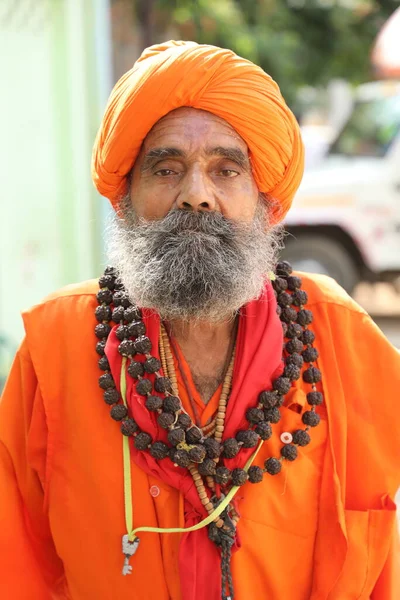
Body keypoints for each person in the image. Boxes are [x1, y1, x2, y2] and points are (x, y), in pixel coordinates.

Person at [0, 40, 399, 600]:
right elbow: (18, 568)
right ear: (124, 199)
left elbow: (376, 565)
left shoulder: (338, 336)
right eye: (165, 169)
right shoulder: (55, 348)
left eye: (226, 169)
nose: (196, 195)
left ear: (266, 203)